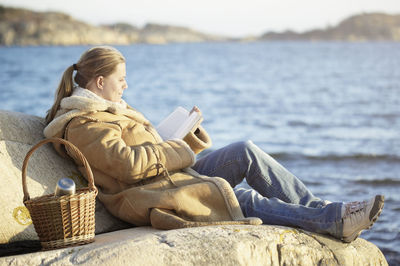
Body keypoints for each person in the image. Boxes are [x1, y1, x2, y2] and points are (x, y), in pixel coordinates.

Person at [44, 46, 384, 243]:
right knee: (238, 196)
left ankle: (318, 207)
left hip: (166, 177)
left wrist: (184, 135)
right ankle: (334, 221)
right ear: (100, 82)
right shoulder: (83, 124)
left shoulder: (109, 110)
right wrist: (179, 149)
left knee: (243, 151)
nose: (126, 86)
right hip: (147, 194)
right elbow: (129, 166)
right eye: (121, 80)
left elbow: (147, 151)